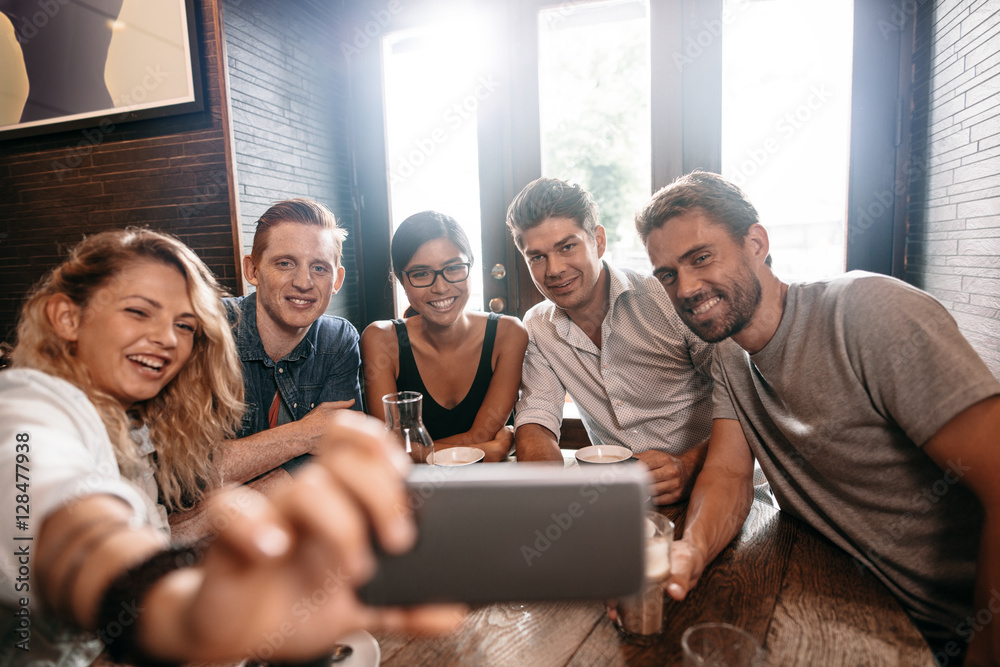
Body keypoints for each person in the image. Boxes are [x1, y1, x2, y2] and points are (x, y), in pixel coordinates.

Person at [0, 229, 461, 666]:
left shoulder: (135, 422)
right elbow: (75, 531)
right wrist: (179, 609)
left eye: (184, 325)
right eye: (138, 312)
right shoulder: (28, 406)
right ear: (67, 317)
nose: (166, 338)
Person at [634, 170, 1000, 665]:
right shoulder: (728, 355)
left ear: (756, 243)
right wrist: (691, 551)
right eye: (668, 274)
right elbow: (727, 473)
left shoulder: (868, 311)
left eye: (701, 258)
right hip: (860, 612)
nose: (687, 288)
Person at [505, 177, 715, 504]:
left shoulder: (668, 297)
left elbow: (746, 402)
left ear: (598, 241)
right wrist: (546, 498)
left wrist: (688, 465)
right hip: (622, 504)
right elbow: (537, 420)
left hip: (715, 484)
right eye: (537, 257)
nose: (555, 269)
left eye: (567, 247)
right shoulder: (537, 326)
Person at [217, 199, 363, 492]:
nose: (304, 282)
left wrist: (221, 510)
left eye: (320, 268)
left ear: (337, 280)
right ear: (253, 270)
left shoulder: (338, 340)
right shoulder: (210, 331)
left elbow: (343, 456)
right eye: (285, 263)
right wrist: (305, 434)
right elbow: (183, 474)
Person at [361, 211, 528, 462]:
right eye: (421, 274)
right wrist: (490, 450)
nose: (440, 287)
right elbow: (389, 451)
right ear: (400, 280)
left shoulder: (509, 333)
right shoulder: (381, 339)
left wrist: (419, 451)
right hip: (411, 495)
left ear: (470, 266)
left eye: (453, 268)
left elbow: (480, 434)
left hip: (491, 490)